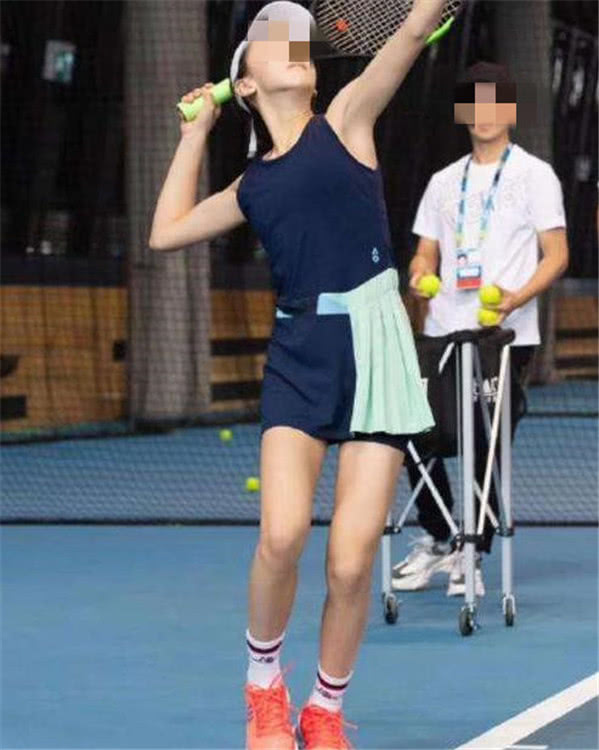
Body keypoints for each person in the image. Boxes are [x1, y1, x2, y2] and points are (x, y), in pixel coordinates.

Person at [149, 1, 445, 747]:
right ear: (245, 83)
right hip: (299, 352)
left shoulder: (347, 119)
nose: (289, 45)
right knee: (281, 537)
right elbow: (165, 233)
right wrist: (195, 134)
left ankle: (324, 710)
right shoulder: (250, 187)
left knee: (349, 563)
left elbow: (414, 29)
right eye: (269, 40)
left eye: (295, 39)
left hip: (377, 349)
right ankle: (263, 689)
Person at [392, 61, 569, 596]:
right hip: (442, 332)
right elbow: (425, 253)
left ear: (509, 110)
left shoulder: (536, 176)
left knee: (484, 443)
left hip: (503, 336)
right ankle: (440, 535)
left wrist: (517, 298)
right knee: (414, 432)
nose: (484, 112)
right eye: (474, 102)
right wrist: (419, 275)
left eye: (494, 102)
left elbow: (556, 255)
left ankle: (473, 551)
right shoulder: (443, 182)